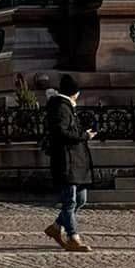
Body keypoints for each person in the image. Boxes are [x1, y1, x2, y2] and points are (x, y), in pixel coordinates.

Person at [43, 73, 96, 252]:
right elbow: (61, 132)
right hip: (67, 162)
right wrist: (84, 136)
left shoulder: (66, 107)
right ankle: (73, 237)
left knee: (81, 199)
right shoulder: (60, 107)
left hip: (76, 163)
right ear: (76, 93)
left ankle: (57, 227)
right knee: (70, 201)